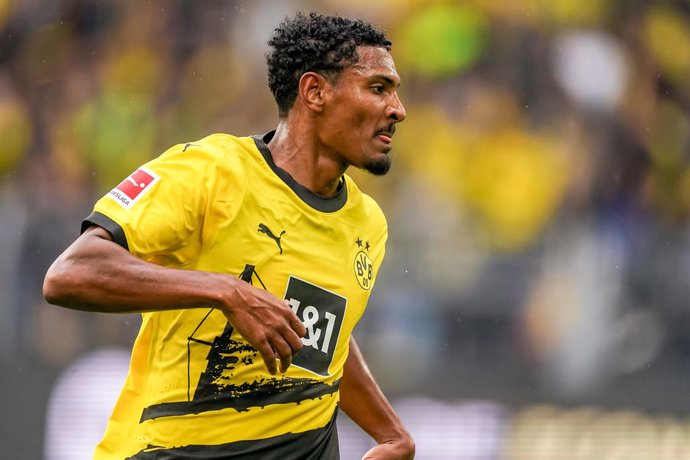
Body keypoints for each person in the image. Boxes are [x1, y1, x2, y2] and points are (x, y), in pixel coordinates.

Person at [43, 11, 414, 460]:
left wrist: (391, 434)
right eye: (378, 88)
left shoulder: (367, 222)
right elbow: (70, 274)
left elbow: (322, 341)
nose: (398, 110)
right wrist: (226, 291)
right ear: (314, 92)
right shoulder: (210, 172)